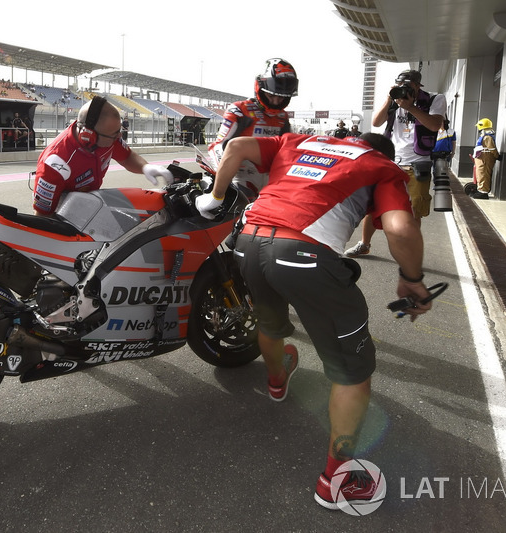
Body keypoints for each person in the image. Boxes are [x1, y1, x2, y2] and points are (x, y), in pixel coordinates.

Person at [195, 131, 431, 509]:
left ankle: (276, 381)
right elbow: (402, 230)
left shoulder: (299, 140)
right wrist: (413, 279)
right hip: (303, 253)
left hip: (248, 240)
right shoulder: (381, 166)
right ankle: (337, 482)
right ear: (383, 152)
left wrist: (215, 197)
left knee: (270, 323)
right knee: (352, 370)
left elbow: (236, 146)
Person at [346, 69, 445, 258]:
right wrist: (389, 99)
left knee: (414, 210)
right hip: (391, 161)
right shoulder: (395, 100)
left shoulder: (434, 99)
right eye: (401, 86)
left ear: (418, 86)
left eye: (410, 86)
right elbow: (376, 122)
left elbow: (434, 125)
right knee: (373, 204)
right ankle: (364, 244)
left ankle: (410, 253)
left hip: (418, 163)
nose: (406, 90)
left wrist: (411, 108)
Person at [32, 96, 173, 215]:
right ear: (88, 137)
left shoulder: (107, 138)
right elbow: (42, 216)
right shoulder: (55, 163)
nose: (119, 136)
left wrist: (145, 167)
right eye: (114, 134)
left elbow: (127, 157)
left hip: (90, 201)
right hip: (62, 212)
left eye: (119, 131)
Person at [207, 58, 298, 198]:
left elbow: (287, 151)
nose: (276, 101)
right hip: (240, 177)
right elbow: (217, 147)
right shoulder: (239, 110)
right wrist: (225, 180)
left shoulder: (283, 117)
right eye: (272, 95)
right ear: (260, 89)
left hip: (270, 179)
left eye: (281, 98)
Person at [471, 118, 499, 199]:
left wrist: (497, 156)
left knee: (483, 174)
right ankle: (481, 189)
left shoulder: (487, 137)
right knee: (480, 174)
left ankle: (483, 191)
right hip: (482, 158)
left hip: (485, 159)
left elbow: (491, 148)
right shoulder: (485, 136)